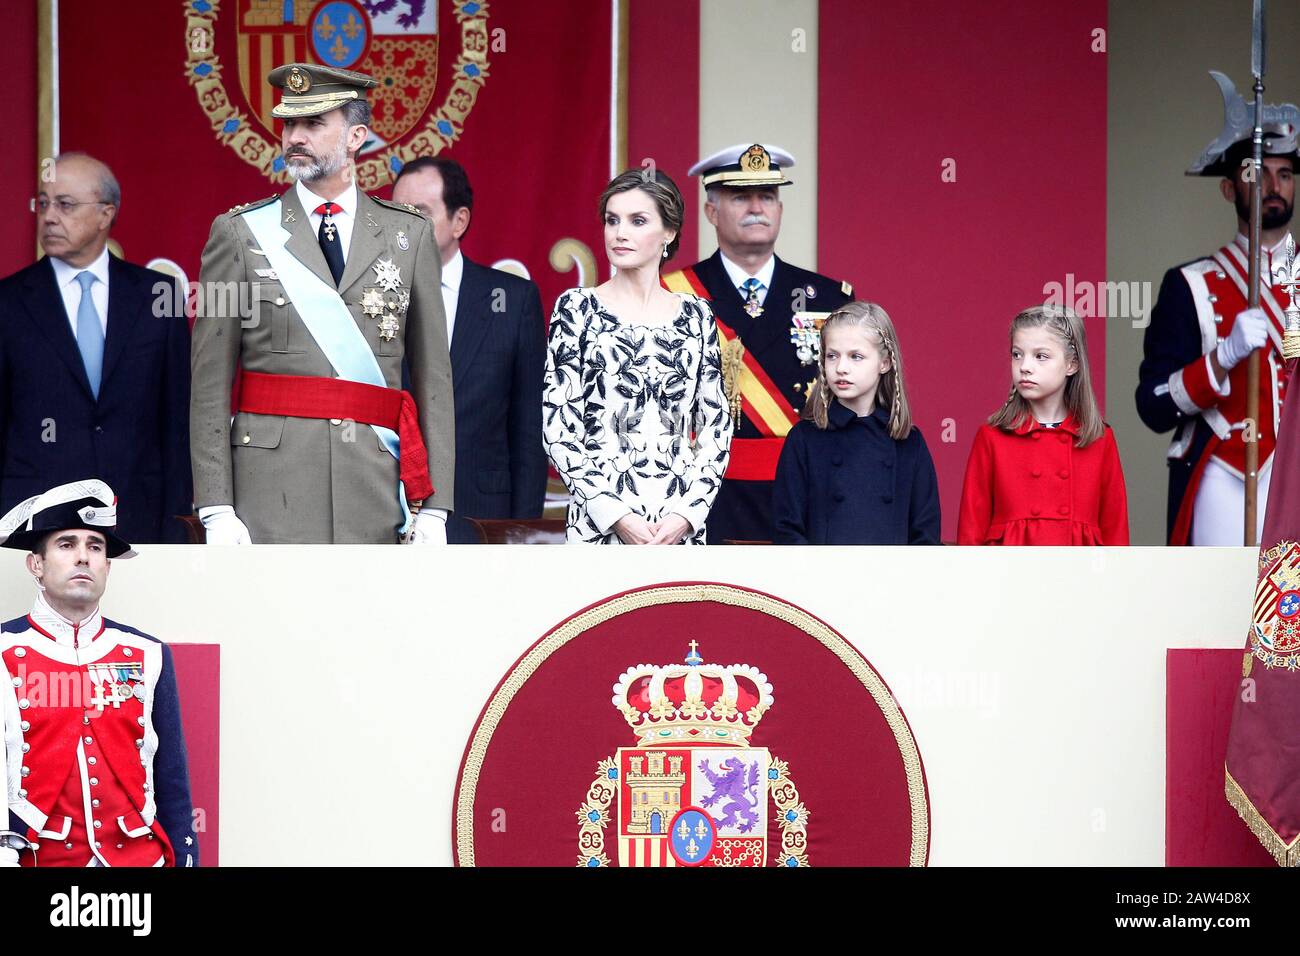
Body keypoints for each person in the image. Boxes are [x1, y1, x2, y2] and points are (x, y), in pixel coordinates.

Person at [190, 63, 454, 544]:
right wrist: (215, 506)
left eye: (313, 124)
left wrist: (435, 510)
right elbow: (209, 381)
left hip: (374, 484)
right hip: (267, 489)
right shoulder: (239, 233)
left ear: (355, 136)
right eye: (290, 124)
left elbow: (434, 378)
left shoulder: (408, 234)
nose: (295, 137)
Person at [0, 479, 198, 867]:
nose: (83, 557)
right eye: (66, 544)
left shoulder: (149, 653)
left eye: (95, 547)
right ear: (35, 564)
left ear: (107, 565)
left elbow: (171, 780)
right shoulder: (3, 649)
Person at [662, 143, 853, 543]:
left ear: (780, 210)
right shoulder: (670, 296)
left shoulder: (830, 297)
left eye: (767, 196)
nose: (757, 207)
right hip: (703, 499)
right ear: (711, 211)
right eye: (740, 196)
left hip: (805, 496)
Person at [0, 153, 190, 543]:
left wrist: (176, 524)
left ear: (106, 214)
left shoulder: (159, 297)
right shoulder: (8, 302)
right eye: (43, 203)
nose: (49, 216)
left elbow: (176, 425)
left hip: (139, 518)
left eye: (65, 204)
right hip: (32, 524)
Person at [1135, 90, 1298, 545]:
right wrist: (1220, 360)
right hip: (1226, 476)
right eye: (1258, 173)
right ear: (1230, 188)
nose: (1274, 186)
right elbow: (1152, 404)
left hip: (1295, 481)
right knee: (1221, 611)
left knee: (1283, 616)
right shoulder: (1189, 285)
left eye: (1285, 174)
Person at [543, 169, 732, 544]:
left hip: (678, 529)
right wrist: (617, 516)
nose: (619, 232)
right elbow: (558, 427)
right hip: (598, 526)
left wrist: (687, 515)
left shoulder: (697, 314)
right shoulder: (577, 308)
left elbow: (716, 426)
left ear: (669, 233)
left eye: (637, 221)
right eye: (612, 220)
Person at [391, 157, 547, 543]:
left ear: (459, 221)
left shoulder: (512, 300)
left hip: (479, 517)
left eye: (419, 213)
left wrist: (521, 533)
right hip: (386, 514)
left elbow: (528, 432)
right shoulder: (370, 296)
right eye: (396, 212)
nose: (403, 225)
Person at [958, 305, 1128, 546]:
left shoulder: (1099, 438)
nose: (1025, 366)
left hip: (1081, 576)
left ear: (1072, 364)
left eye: (1041, 356)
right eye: (1017, 354)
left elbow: (1116, 530)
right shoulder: (992, 436)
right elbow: (971, 529)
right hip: (1009, 575)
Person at [772, 302, 940, 544]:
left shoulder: (909, 443)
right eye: (832, 356)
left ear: (885, 362)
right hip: (819, 578)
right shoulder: (805, 437)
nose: (841, 368)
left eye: (856, 357)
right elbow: (786, 528)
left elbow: (925, 535)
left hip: (891, 579)